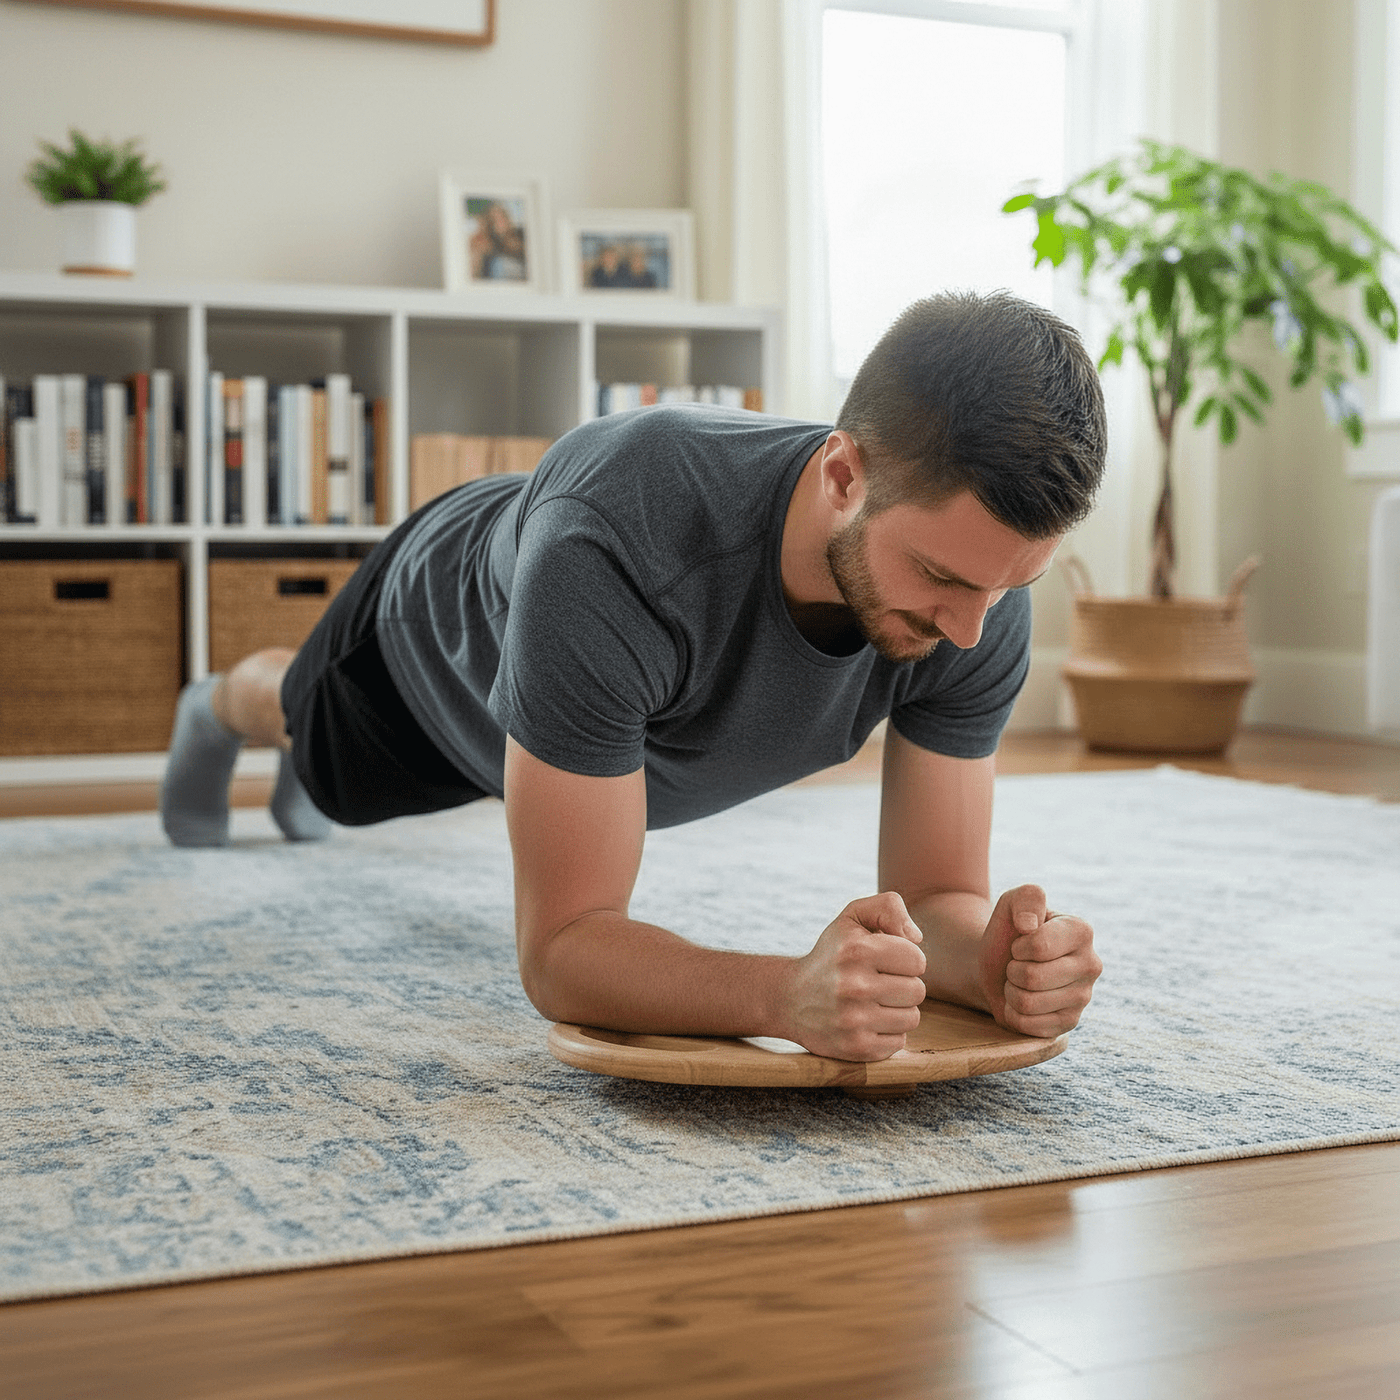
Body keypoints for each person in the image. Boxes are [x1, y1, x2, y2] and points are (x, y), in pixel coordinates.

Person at [160, 291, 1106, 1063]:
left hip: (582, 697)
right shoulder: (612, 546)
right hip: (424, 655)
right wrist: (788, 995)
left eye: (1011, 584)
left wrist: (985, 963)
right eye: (940, 578)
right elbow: (563, 949)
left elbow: (937, 892)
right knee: (317, 748)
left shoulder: (981, 581)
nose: (973, 634)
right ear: (844, 476)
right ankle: (219, 705)